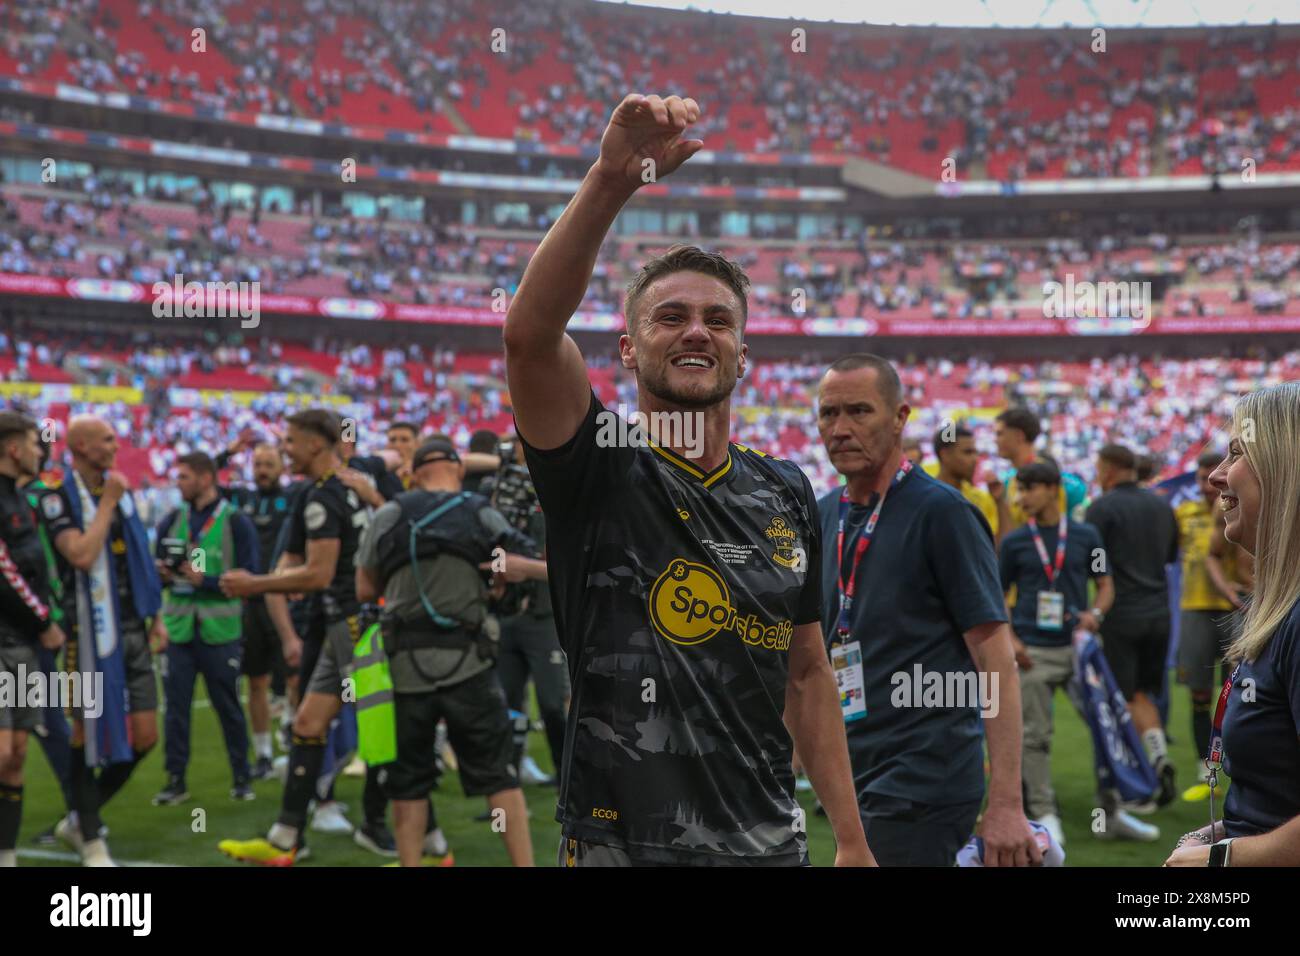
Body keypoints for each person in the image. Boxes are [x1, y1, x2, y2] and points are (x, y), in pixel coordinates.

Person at [504, 92, 872, 867]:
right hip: (620, 848)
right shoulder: (598, 464)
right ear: (630, 350)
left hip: (770, 843)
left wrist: (852, 841)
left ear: (743, 354)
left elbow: (807, 675)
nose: (698, 329)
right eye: (669, 317)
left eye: (719, 319)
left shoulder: (787, 491)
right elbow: (531, 336)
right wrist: (611, 180)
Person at [816, 354, 1038, 867]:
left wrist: (1005, 802)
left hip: (924, 775)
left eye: (859, 412)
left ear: (900, 418)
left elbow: (995, 662)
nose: (841, 429)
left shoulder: (945, 514)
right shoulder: (825, 513)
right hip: (855, 769)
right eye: (829, 414)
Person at [355, 438, 543, 866]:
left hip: (404, 668)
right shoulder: (481, 511)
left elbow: (364, 589)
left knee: (409, 784)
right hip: (471, 664)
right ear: (457, 469)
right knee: (499, 777)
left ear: (415, 472)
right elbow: (521, 563)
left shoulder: (389, 513)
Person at [216, 408, 391, 864]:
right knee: (310, 724)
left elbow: (316, 574)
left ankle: (419, 840)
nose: (284, 449)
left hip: (357, 627)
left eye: (290, 442)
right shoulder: (348, 490)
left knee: (387, 734)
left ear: (316, 444)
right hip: (344, 626)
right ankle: (285, 838)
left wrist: (252, 584)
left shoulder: (324, 496)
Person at [1166, 382, 1300, 866]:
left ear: (1286, 467)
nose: (1216, 477)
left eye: (1236, 454)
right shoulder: (1283, 608)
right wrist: (1232, 829)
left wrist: (1224, 858)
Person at [36, 415, 164, 867]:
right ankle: (91, 838)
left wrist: (156, 615)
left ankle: (78, 815)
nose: (115, 446)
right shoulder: (58, 498)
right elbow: (81, 555)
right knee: (84, 734)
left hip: (132, 627)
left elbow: (138, 559)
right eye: (107, 439)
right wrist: (108, 503)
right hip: (85, 634)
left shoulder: (120, 495)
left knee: (145, 736)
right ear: (83, 446)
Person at [998, 460, 1113, 848]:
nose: (1021, 497)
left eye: (1028, 489)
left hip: (1078, 651)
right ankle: (1045, 813)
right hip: (1033, 651)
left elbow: (1106, 585)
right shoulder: (1014, 542)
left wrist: (1095, 614)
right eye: (1019, 489)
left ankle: (1111, 809)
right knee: (1034, 737)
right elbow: (998, 596)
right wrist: (1012, 640)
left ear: (1051, 489)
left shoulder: (1085, 535)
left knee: (1103, 728)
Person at [153, 452, 259, 804]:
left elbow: (252, 577)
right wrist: (164, 575)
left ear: (205, 478)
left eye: (184, 477)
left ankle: (242, 776)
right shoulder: (172, 520)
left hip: (220, 632)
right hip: (180, 630)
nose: (178, 484)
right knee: (176, 711)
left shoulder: (235, 522)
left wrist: (208, 581)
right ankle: (175, 780)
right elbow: (158, 572)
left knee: (228, 708)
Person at [1085, 442, 1180, 806]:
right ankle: (1158, 756)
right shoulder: (1161, 505)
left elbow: (1092, 562)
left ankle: (1130, 783)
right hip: (1159, 613)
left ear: (1108, 469)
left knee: (1118, 701)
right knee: (1142, 693)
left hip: (1120, 613)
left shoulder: (1102, 508)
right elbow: (1170, 556)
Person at [482, 437, 569, 785]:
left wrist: (526, 568)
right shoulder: (499, 493)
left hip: (544, 615)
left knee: (551, 702)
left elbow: (571, 564)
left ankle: (567, 776)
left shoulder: (561, 491)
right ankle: (508, 775)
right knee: (508, 702)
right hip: (508, 614)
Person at [0, 412, 66, 867]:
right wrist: (45, 618)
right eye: (33, 442)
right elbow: (3, 567)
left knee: (17, 752)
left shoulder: (22, 500)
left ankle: (7, 854)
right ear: (12, 449)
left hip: (22, 642)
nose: (40, 451)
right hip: (7, 638)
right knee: (2, 749)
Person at [217, 436, 297, 779]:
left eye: (269, 465)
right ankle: (263, 753)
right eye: (258, 465)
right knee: (257, 682)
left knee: (295, 674)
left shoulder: (292, 497)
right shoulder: (242, 499)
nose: (262, 471)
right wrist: (228, 453)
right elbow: (208, 484)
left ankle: (292, 730)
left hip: (283, 596)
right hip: (250, 601)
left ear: (282, 468)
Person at [1175, 449, 1251, 801]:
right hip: (1194, 608)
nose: (1210, 483)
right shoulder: (1183, 514)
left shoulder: (1237, 506)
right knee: (1199, 692)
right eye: (1203, 475)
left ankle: (1235, 765)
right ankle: (1205, 767)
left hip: (1233, 609)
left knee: (1234, 692)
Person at [994, 407, 1088, 533]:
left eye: (1000, 434)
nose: (995, 440)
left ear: (1019, 436)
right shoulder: (1005, 483)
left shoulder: (1067, 486)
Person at [928, 423, 1000, 544]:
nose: (975, 459)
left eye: (975, 452)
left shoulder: (982, 499)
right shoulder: (924, 498)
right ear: (945, 455)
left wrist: (1000, 502)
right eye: (968, 452)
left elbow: (996, 548)